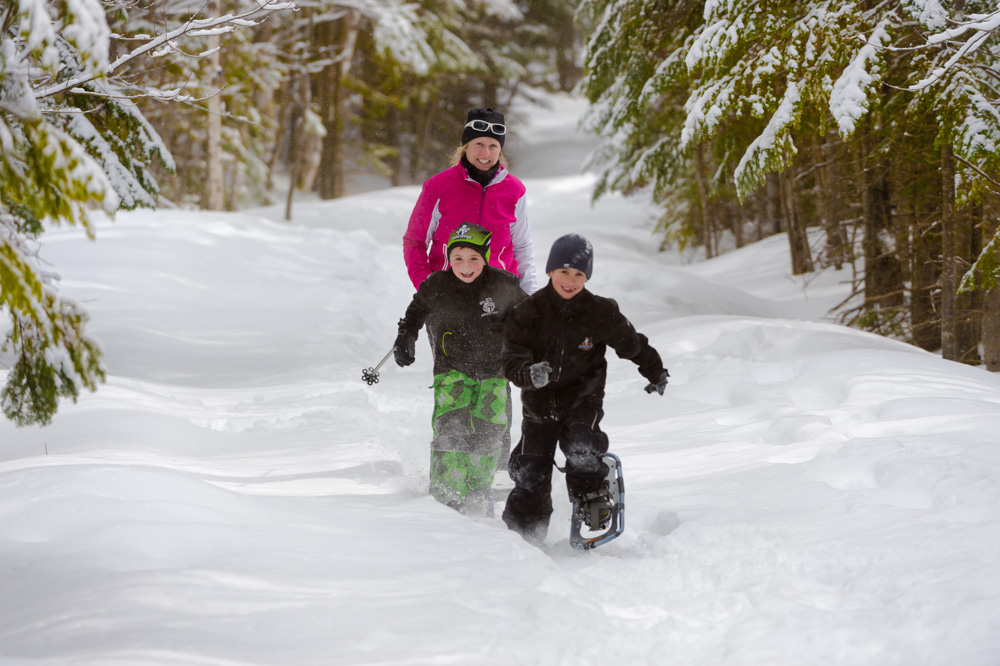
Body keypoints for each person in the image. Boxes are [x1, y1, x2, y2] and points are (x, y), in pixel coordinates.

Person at [500, 233, 670, 544]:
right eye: (564, 271)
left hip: (582, 397)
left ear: (587, 277)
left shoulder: (599, 311)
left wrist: (655, 370)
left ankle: (593, 492)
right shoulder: (527, 311)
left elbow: (631, 344)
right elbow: (511, 359)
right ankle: (524, 532)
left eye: (579, 274)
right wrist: (529, 373)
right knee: (529, 470)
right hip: (539, 404)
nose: (570, 280)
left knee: (580, 445)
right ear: (550, 271)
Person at [394, 223, 527, 515]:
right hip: (451, 369)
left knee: (490, 432)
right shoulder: (436, 285)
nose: (466, 267)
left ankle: (478, 489)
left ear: (486, 257)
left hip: (494, 372)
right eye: (458, 259)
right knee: (451, 431)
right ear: (448, 257)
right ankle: (447, 495)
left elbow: (530, 318)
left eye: (473, 259)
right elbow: (415, 312)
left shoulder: (504, 285)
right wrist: (406, 337)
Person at [402, 107, 538, 295]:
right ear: (466, 146)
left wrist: (529, 299)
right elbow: (414, 242)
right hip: (448, 298)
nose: (486, 153)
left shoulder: (514, 190)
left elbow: (522, 247)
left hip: (500, 298)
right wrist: (428, 290)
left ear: (500, 151)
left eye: (493, 146)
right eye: (479, 144)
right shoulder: (438, 187)